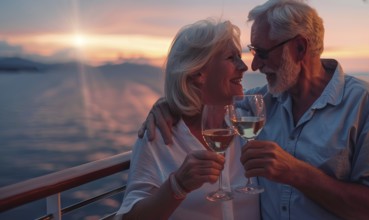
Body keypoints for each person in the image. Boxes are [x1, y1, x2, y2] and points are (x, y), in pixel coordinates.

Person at [138, 0, 369, 219]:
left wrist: (296, 173)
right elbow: (208, 96)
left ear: (299, 48)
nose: (254, 65)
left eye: (263, 53)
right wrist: (169, 104)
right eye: (252, 52)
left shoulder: (362, 105)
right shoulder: (259, 103)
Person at [115, 18, 260, 220]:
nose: (243, 67)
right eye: (231, 58)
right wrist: (177, 186)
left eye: (240, 56)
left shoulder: (248, 122)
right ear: (198, 73)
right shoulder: (160, 136)